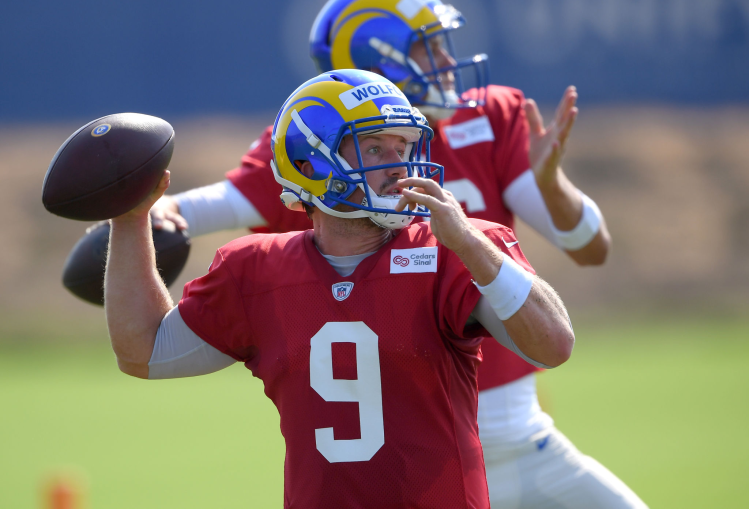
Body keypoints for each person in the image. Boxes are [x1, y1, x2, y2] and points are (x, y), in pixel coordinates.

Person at [153, 0, 645, 508]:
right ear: (380, 60)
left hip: (519, 429)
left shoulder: (486, 115)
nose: (445, 60)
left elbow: (591, 249)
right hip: (413, 440)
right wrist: (142, 215)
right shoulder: (320, 142)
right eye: (426, 46)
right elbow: (196, 210)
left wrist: (553, 185)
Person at [106, 69, 574, 508]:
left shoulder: (454, 250)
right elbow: (142, 350)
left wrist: (472, 244)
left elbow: (553, 344)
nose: (398, 166)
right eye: (374, 149)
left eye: (402, 147)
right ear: (312, 162)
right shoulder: (256, 270)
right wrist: (130, 218)